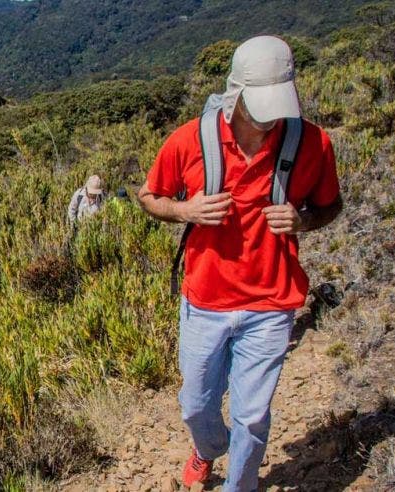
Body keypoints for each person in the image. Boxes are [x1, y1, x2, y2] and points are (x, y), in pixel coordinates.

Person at [136, 35, 343, 491]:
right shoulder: (191, 140)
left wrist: (303, 220)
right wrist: (185, 210)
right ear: (236, 92)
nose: (271, 120)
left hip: (272, 303)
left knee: (252, 416)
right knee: (195, 404)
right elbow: (149, 196)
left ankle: (240, 485)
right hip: (205, 299)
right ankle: (208, 448)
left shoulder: (312, 143)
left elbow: (331, 206)